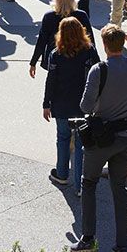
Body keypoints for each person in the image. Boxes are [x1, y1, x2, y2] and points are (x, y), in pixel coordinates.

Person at [70, 24, 127, 252]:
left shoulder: (98, 70)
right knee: (120, 188)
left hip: (101, 139)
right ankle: (122, 246)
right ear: (122, 42)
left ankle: (88, 239)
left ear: (104, 46)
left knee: (90, 184)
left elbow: (85, 106)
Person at [44, 15, 99, 193]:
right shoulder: (89, 51)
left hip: (61, 104)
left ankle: (61, 174)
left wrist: (46, 103)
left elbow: (50, 80)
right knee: (82, 144)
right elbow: (98, 74)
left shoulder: (56, 54)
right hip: (84, 103)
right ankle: (81, 184)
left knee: (63, 138)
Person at [29, 0, 93, 76]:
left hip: (55, 59)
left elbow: (42, 41)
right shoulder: (81, 15)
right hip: (78, 57)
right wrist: (95, 61)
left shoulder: (49, 17)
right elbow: (90, 40)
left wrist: (33, 62)